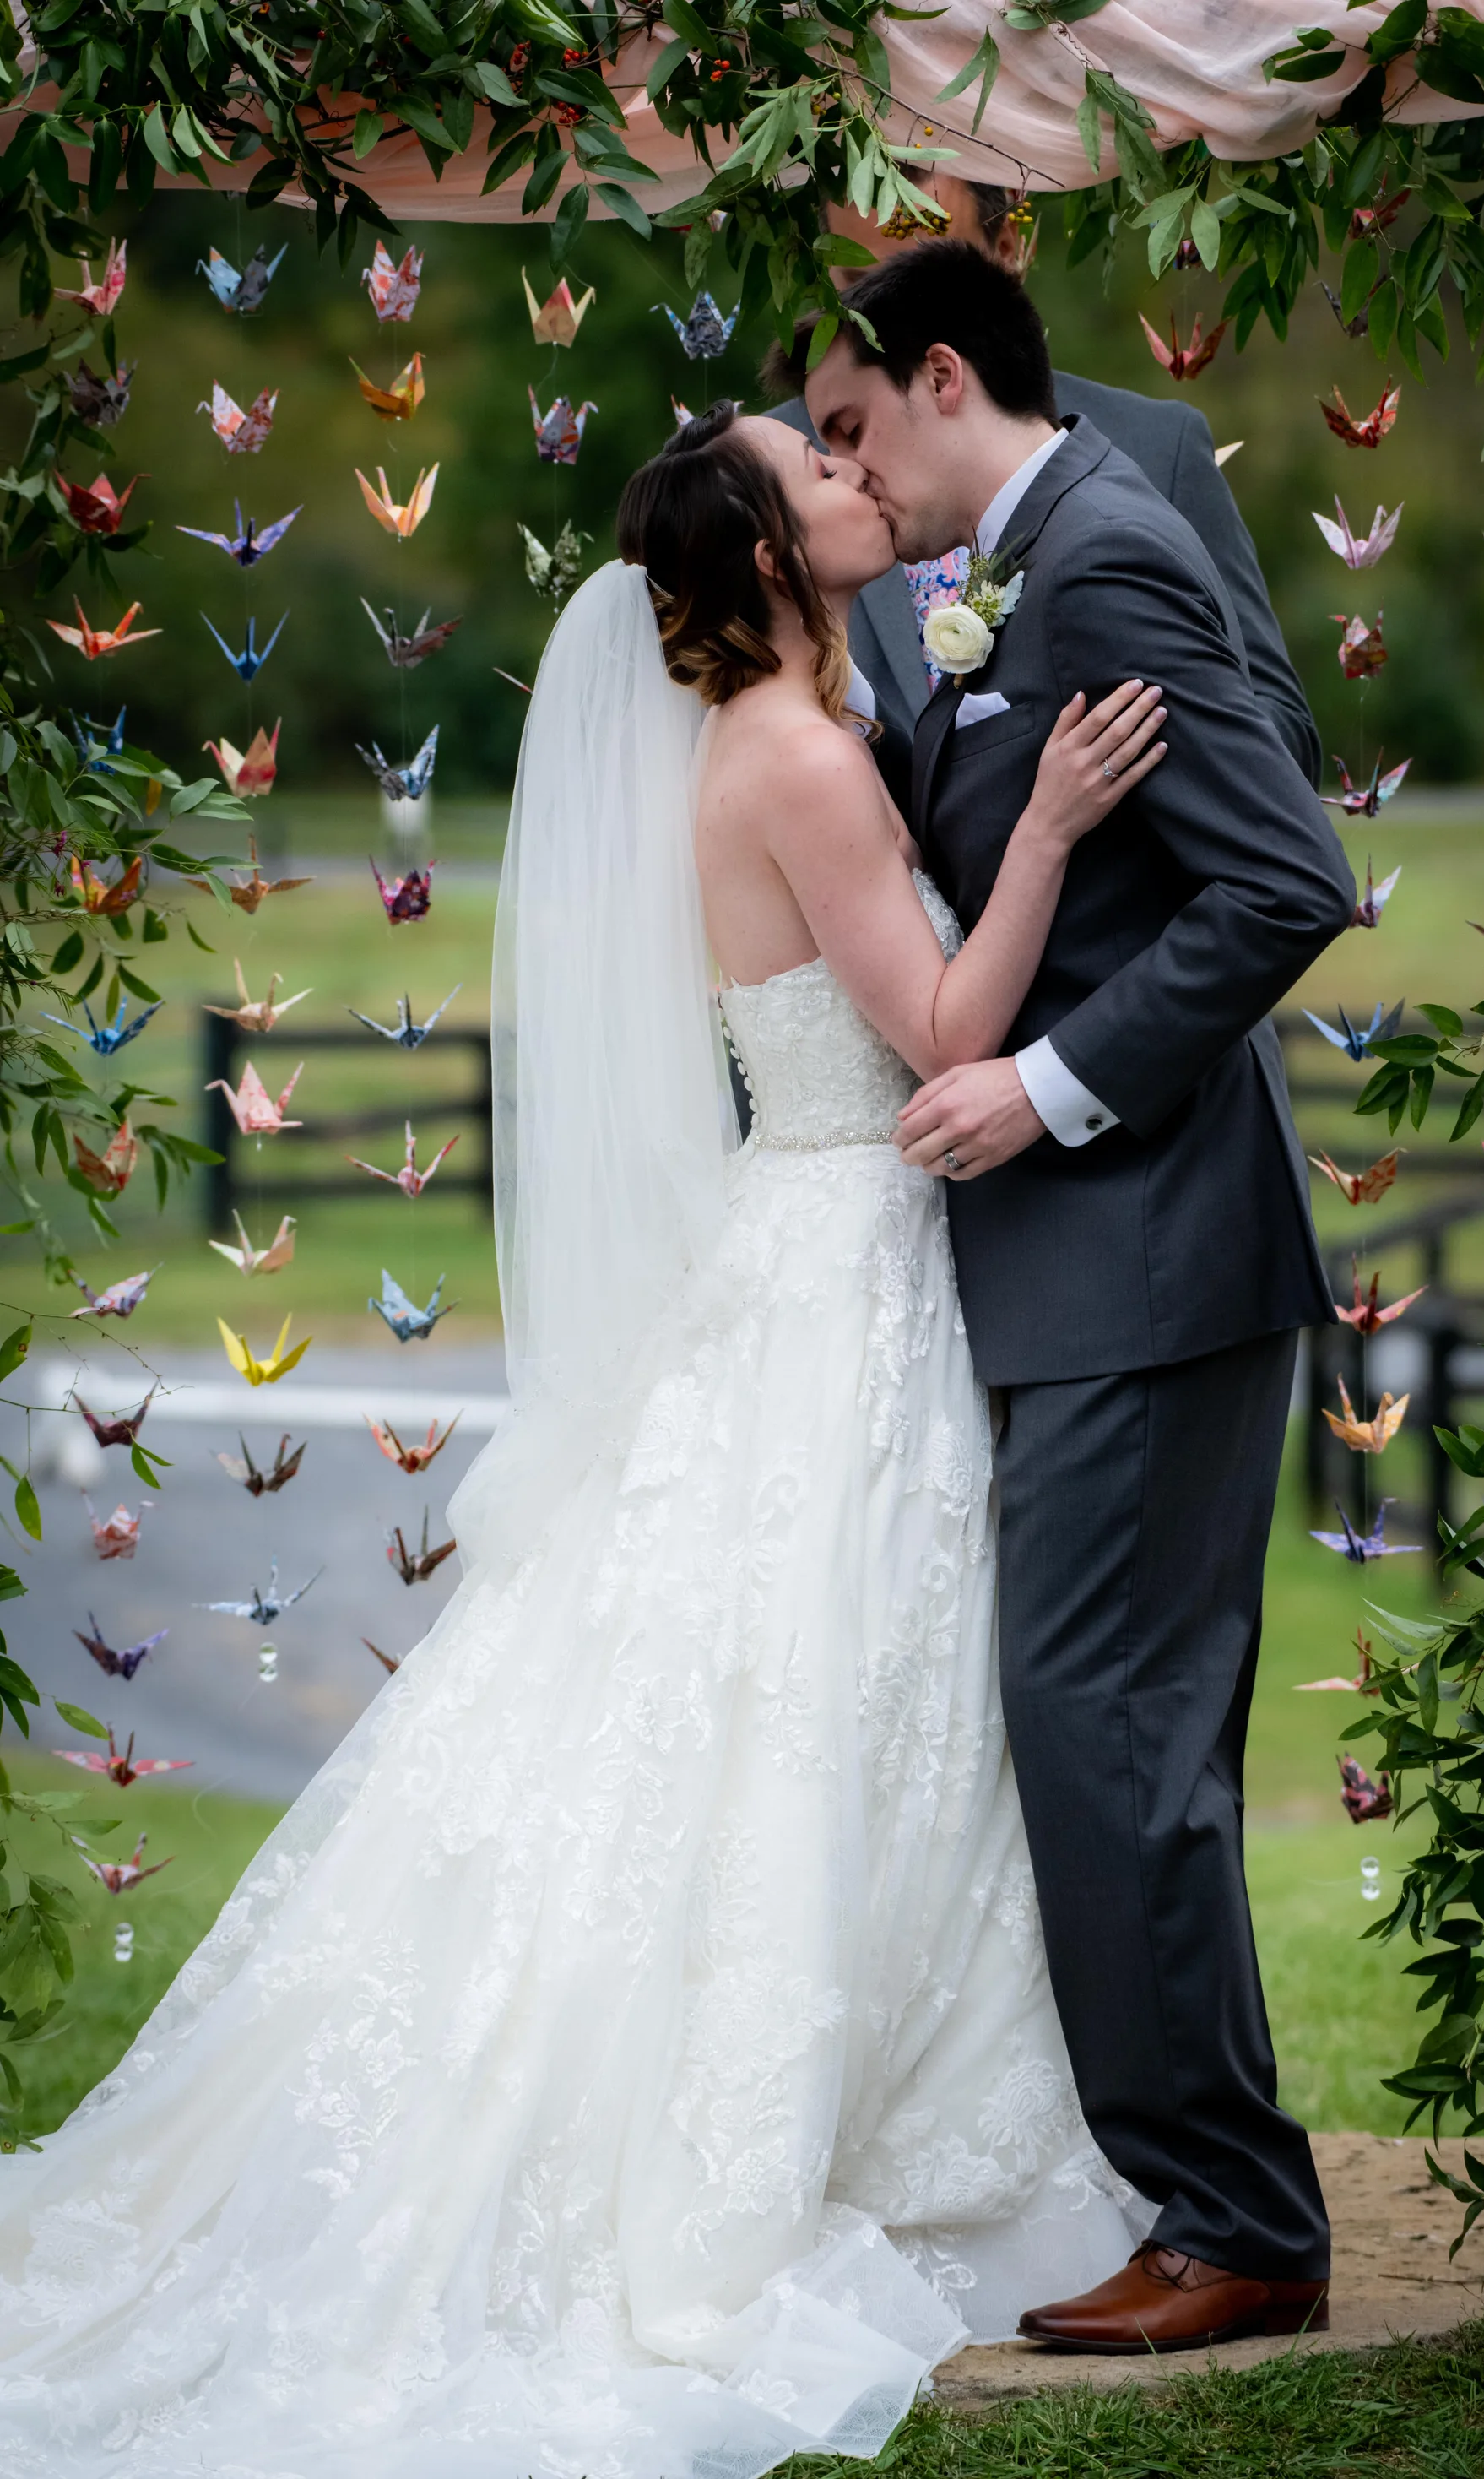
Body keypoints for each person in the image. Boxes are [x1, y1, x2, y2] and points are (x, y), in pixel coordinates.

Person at [0, 409, 1173, 2478]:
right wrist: (1058, 828)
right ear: (758, 554)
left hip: (813, 1251)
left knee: (803, 1697)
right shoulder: (797, 760)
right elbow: (945, 1037)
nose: (845, 467)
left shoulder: (788, 729)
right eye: (808, 466)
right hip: (839, 1256)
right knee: (805, 1697)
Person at [779, 238, 1354, 2352]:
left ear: (942, 378)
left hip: (1152, 1240)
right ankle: (1216, 2199)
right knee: (1117, 1731)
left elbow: (1284, 874)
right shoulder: (1033, 560)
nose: (850, 478)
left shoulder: (1096, 555)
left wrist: (1037, 1085)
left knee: (1106, 1730)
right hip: (1102, 1264)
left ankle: (1228, 2220)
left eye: (851, 427)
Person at [767, 171, 1319, 789]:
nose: (892, 327)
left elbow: (1276, 733)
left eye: (921, 279)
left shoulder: (1159, 448)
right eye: (861, 289)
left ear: (1006, 256)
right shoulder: (776, 479)